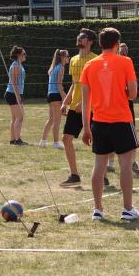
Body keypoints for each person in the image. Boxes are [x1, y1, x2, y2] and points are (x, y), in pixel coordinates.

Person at [80, 27, 139, 220]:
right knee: (125, 165)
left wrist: (86, 128)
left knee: (99, 166)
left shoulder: (89, 65)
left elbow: (85, 101)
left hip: (99, 122)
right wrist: (122, 91)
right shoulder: (125, 61)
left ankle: (98, 209)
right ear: (117, 44)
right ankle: (127, 209)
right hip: (121, 121)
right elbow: (133, 94)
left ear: (100, 44)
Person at [59, 28, 99, 188]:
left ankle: (102, 176)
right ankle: (74, 175)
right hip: (75, 107)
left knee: (98, 141)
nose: (79, 38)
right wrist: (65, 101)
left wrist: (84, 102)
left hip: (92, 107)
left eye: (82, 37)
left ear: (90, 41)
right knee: (66, 139)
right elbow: (75, 84)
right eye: (79, 36)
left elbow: (97, 85)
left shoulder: (95, 59)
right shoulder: (74, 60)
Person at [106, 43, 139, 174]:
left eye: (126, 48)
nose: (124, 50)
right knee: (110, 134)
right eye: (122, 48)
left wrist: (126, 91)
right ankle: (110, 163)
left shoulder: (127, 63)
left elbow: (133, 89)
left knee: (132, 134)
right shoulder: (111, 63)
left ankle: (133, 162)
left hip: (126, 105)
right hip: (112, 104)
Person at [39, 49, 69, 149]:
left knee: (51, 119)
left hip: (50, 95)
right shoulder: (61, 67)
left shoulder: (53, 67)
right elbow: (59, 85)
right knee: (57, 121)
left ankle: (43, 141)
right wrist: (65, 98)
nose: (68, 58)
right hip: (56, 95)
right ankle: (56, 143)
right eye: (67, 56)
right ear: (62, 57)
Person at [4, 45, 27, 145]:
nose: (25, 55)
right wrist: (18, 97)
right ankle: (17, 140)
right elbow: (14, 82)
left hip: (14, 93)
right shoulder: (16, 65)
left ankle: (13, 139)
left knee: (15, 118)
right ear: (18, 55)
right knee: (20, 117)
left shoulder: (18, 65)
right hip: (12, 94)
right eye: (24, 54)